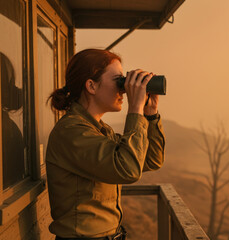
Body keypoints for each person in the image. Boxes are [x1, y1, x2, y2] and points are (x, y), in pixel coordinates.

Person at [46, 49, 165, 240]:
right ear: (91, 86)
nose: (124, 89)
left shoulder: (100, 130)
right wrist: (135, 109)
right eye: (119, 80)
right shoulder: (71, 132)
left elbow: (150, 160)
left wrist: (149, 114)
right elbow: (128, 170)